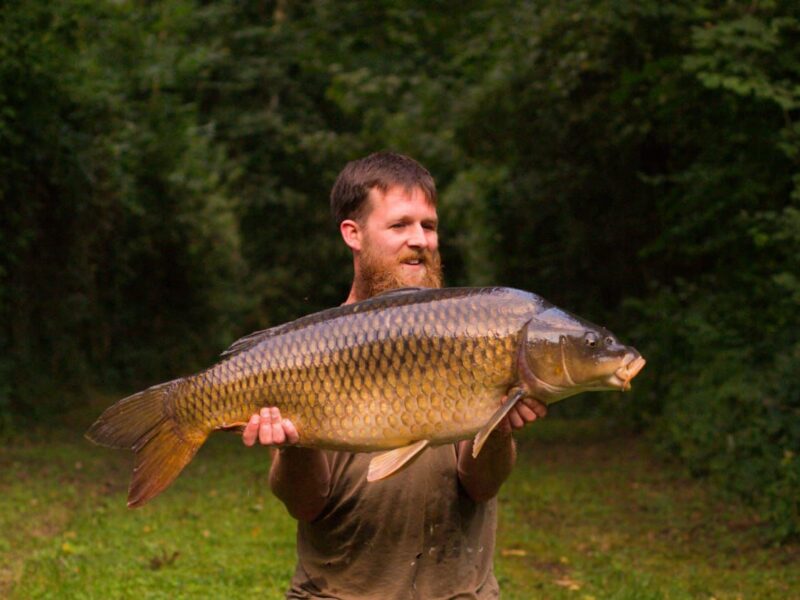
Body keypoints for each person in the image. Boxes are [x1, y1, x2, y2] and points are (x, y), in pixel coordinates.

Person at [242, 152, 546, 599]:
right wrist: (292, 447)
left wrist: (499, 428)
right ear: (353, 233)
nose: (420, 240)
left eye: (429, 226)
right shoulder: (306, 350)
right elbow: (306, 504)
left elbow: (480, 486)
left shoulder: (470, 334)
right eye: (400, 225)